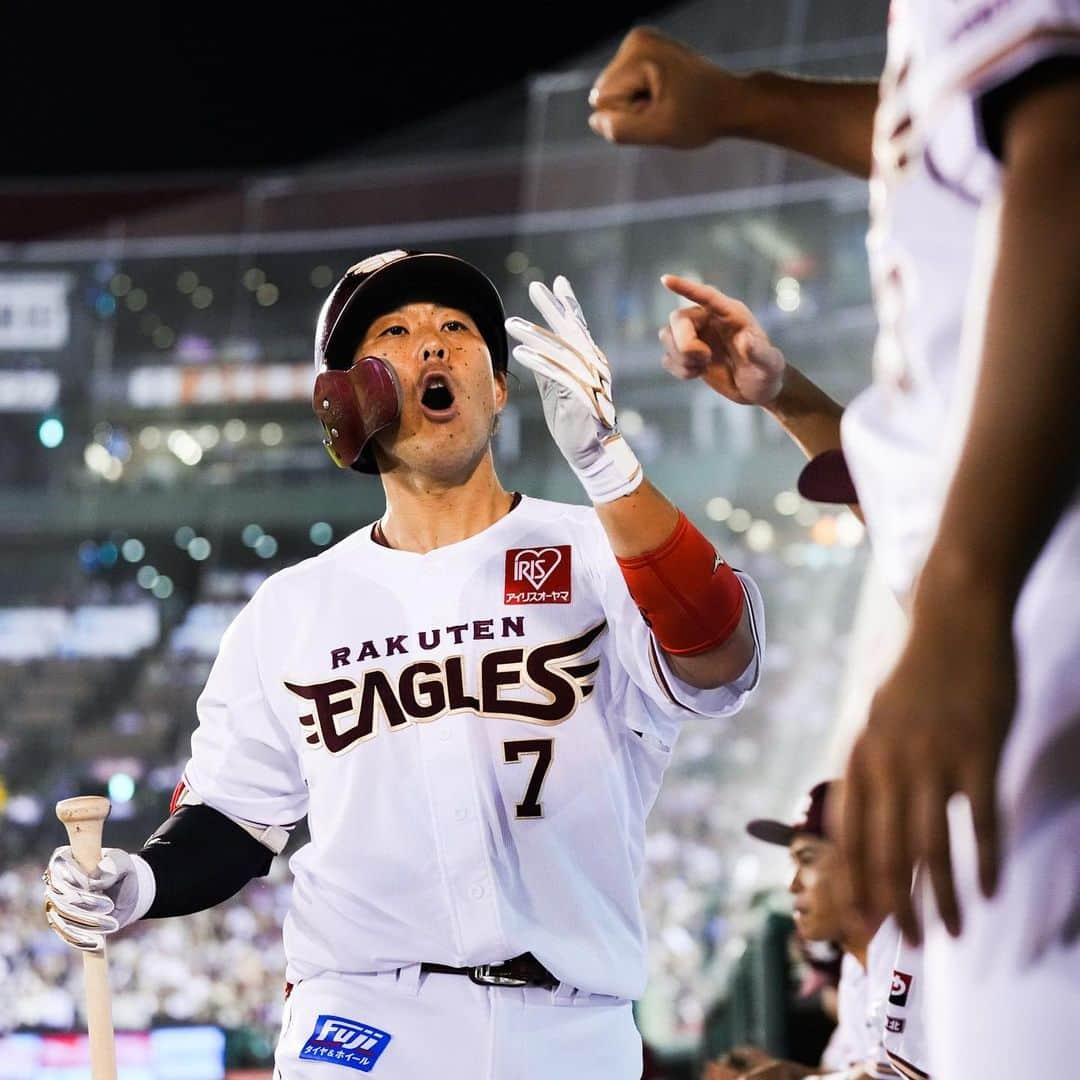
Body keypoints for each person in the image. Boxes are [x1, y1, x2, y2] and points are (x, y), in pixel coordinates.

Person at [42, 250, 765, 1079]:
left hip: (572, 1029)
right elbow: (235, 819)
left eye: (457, 330)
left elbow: (718, 655)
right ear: (345, 398)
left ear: (499, 388)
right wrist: (142, 880)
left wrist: (609, 466)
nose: (432, 345)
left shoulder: (601, 548)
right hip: (360, 1023)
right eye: (397, 331)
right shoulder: (291, 608)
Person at [592, 14, 1080, 1075]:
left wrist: (962, 604)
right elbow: (954, 134)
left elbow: (1063, 144)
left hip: (1033, 614)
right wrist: (741, 104)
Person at [706, 781, 929, 1080]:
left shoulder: (912, 949)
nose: (792, 883)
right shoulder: (855, 967)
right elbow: (870, 1072)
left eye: (807, 859)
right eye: (792, 862)